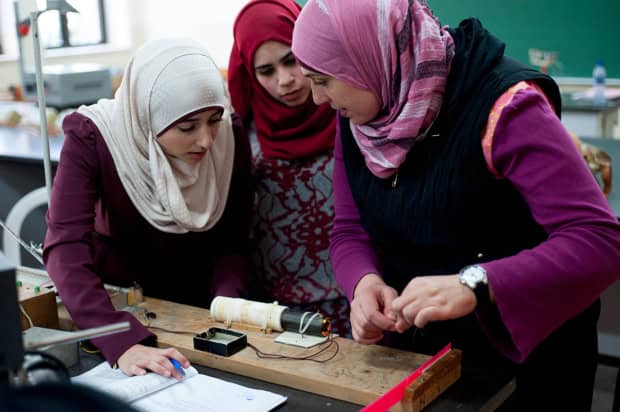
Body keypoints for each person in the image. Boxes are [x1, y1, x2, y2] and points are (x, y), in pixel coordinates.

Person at [292, 0, 620, 409]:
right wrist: (362, 283)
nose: (317, 98)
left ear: (368, 55)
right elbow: (350, 227)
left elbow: (600, 242)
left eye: (323, 80)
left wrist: (477, 283)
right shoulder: (364, 108)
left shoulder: (507, 107)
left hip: (529, 350)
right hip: (428, 353)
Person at [43, 39, 253, 378]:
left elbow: (233, 241)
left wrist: (223, 307)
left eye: (214, 120)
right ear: (146, 117)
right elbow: (64, 248)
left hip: (201, 314)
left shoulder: (230, 136)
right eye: (187, 127)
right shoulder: (94, 138)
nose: (206, 140)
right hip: (118, 312)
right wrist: (118, 339)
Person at [228, 0, 350, 335]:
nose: (286, 81)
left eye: (292, 60)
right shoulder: (239, 134)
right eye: (266, 71)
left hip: (356, 298)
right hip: (272, 310)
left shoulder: (350, 110)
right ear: (249, 74)